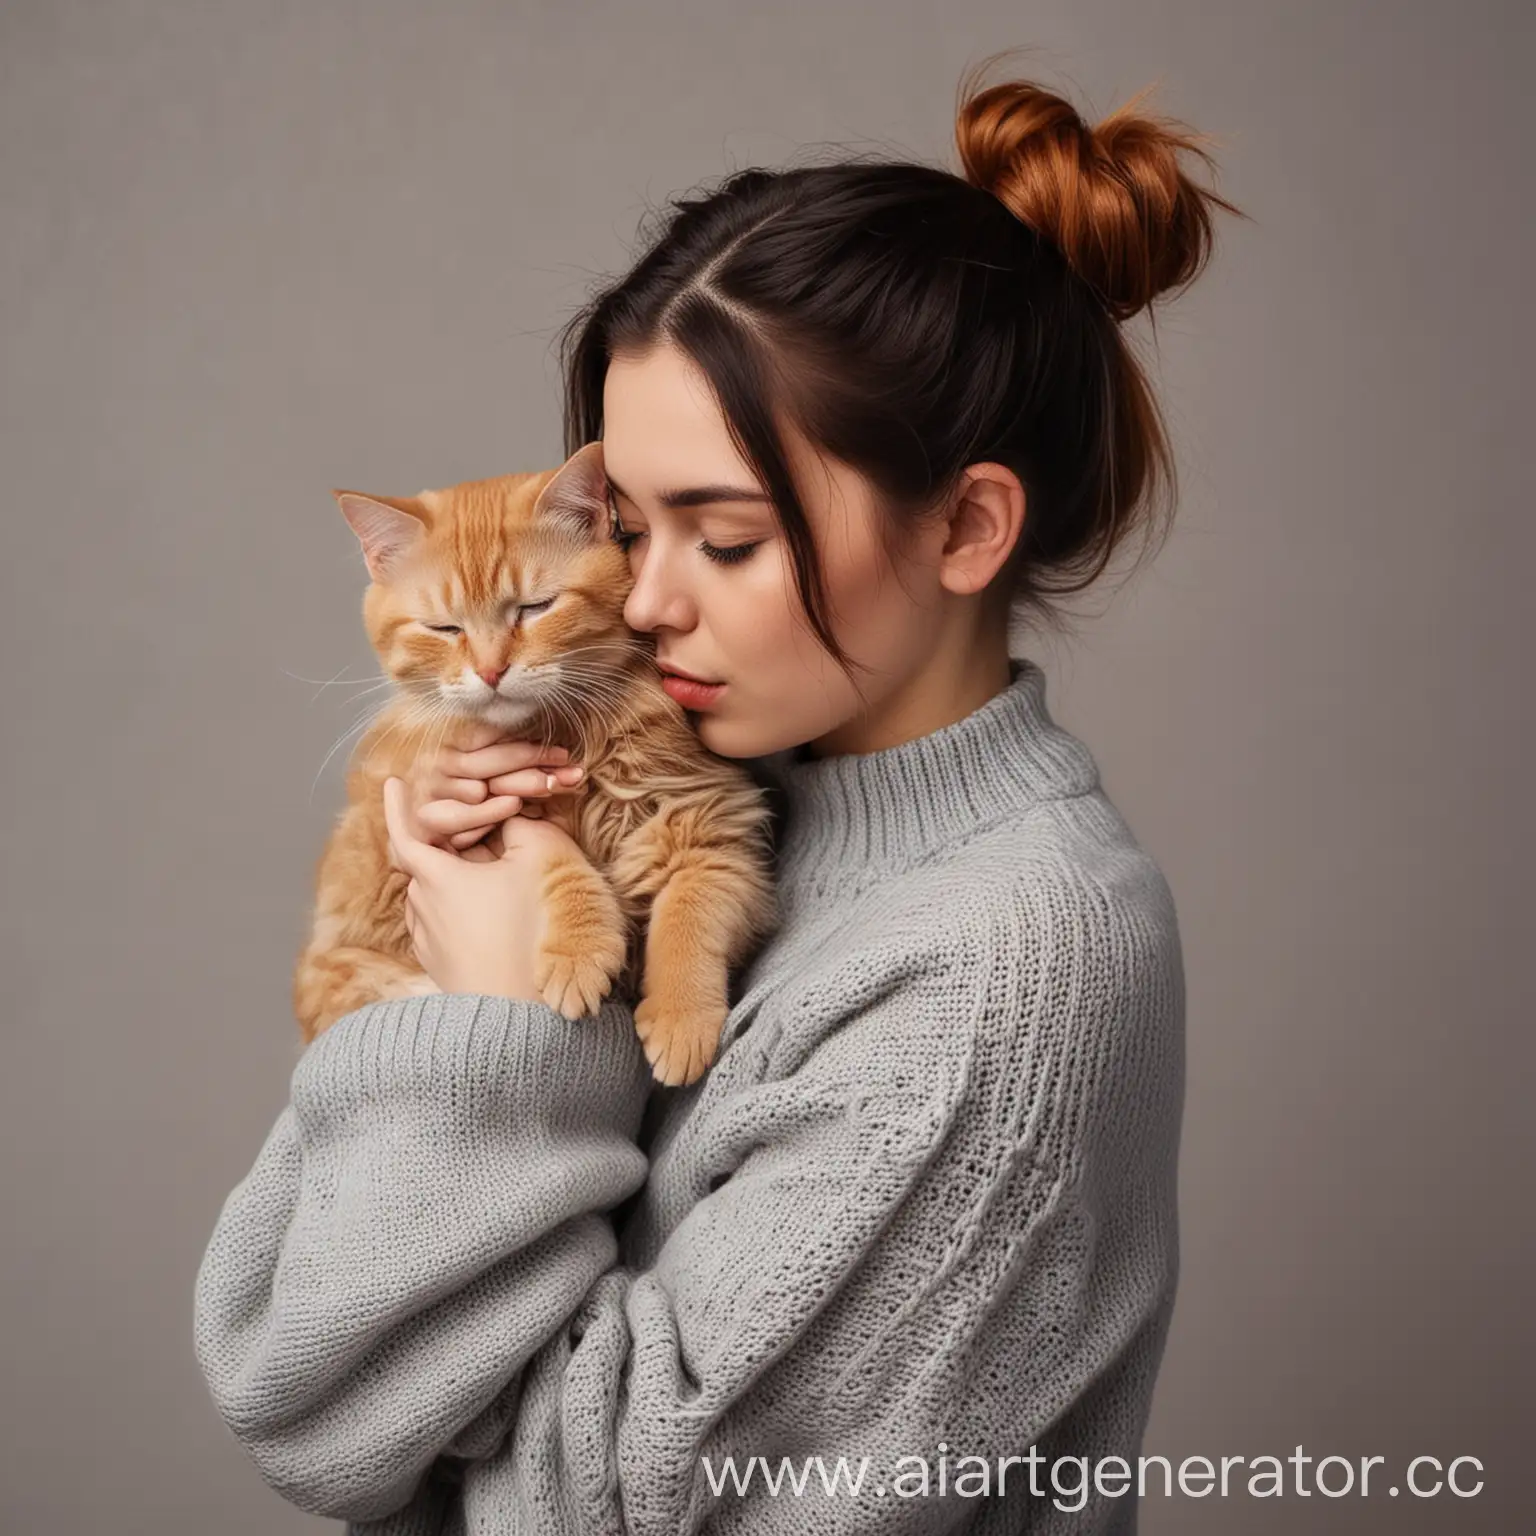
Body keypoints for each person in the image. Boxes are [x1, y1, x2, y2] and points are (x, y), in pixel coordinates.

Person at [193, 58, 1240, 1535]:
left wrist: (501, 1031)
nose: (646, 597)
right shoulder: (677, 794)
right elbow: (292, 1381)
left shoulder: (1009, 971)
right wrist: (422, 978)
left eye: (728, 540)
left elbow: (605, 1514)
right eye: (629, 525)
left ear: (967, 527)